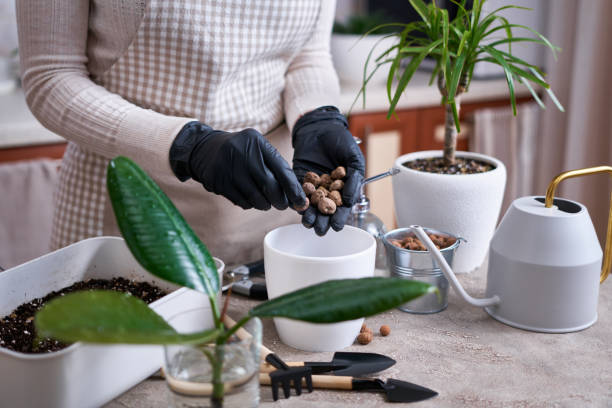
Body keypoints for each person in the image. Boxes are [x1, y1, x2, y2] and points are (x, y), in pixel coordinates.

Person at [16, 0, 365, 265]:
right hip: (127, 207)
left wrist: (317, 115)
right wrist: (188, 145)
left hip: (274, 215)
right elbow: (51, 76)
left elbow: (308, 55)